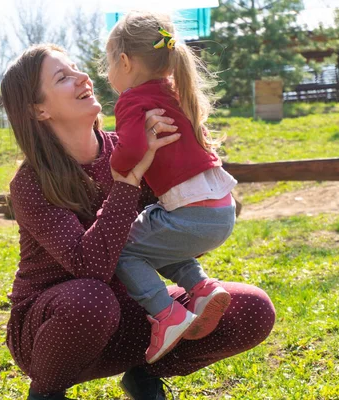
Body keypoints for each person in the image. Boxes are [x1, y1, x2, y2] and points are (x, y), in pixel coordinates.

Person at [1, 43, 275, 400]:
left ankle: (145, 373)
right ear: (39, 109)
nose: (83, 76)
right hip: (56, 326)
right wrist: (128, 180)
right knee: (92, 298)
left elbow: (170, 236)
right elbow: (91, 266)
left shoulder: (134, 143)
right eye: (63, 77)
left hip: (139, 311)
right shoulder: (32, 181)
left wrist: (194, 168)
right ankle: (47, 392)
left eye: (76, 67)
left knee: (251, 308)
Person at [106, 12, 240, 364]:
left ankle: (167, 315)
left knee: (123, 249)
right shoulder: (177, 91)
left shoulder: (132, 100)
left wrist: (115, 166)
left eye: (108, 64)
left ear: (124, 61)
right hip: (222, 210)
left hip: (192, 216)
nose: (107, 74)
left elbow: (132, 151)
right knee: (160, 237)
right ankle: (201, 288)